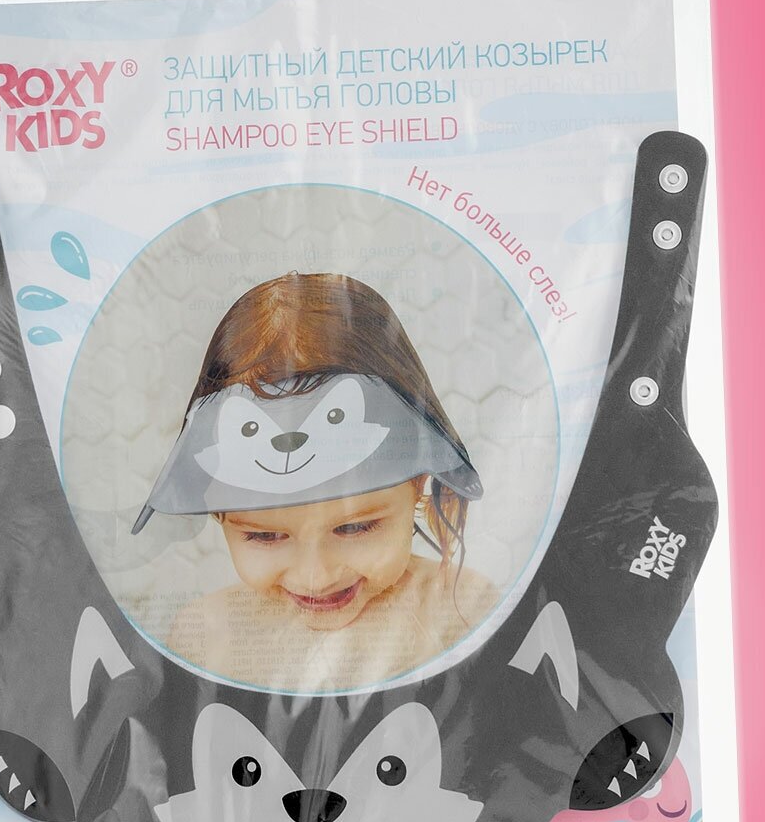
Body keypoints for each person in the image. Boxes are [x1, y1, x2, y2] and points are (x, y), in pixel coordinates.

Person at [139, 272, 497, 689]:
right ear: (218, 509)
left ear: (418, 482)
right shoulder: (206, 633)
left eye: (354, 527)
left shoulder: (461, 609)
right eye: (265, 536)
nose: (316, 575)